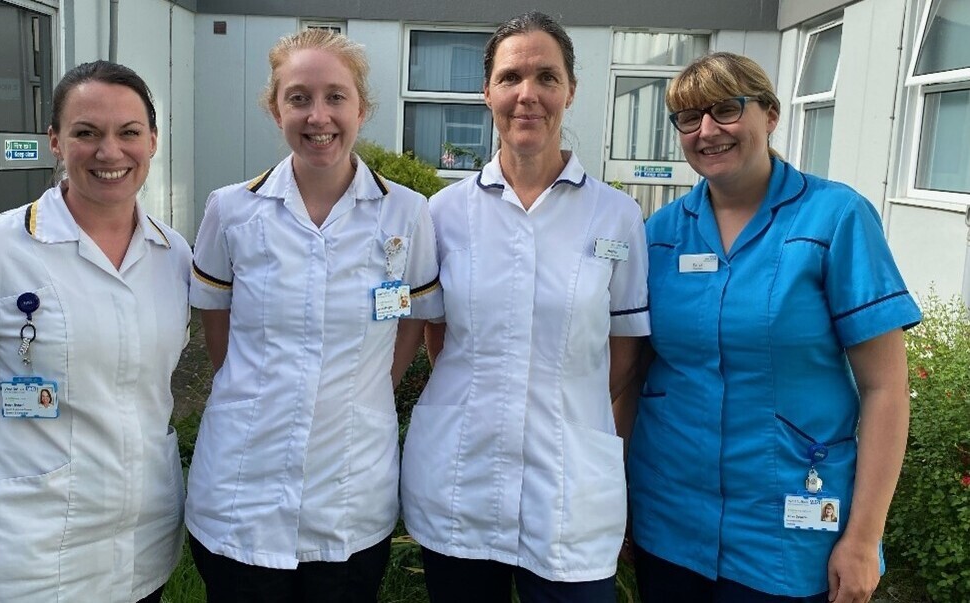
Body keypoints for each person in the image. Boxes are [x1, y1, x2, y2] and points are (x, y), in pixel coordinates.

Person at [625, 52, 921, 603]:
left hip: (787, 527)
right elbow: (636, 371)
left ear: (770, 115)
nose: (707, 131)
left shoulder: (836, 218)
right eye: (689, 119)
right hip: (669, 521)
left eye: (726, 110)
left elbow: (885, 389)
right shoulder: (661, 235)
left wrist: (863, 538)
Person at [0, 60, 191, 602]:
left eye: (129, 133)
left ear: (152, 141)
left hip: (137, 551)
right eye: (86, 133)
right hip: (16, 560)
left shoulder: (173, 255)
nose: (110, 152)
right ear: (56, 141)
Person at [400, 11, 650, 603]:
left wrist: (564, 396)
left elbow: (625, 353)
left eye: (546, 77)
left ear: (570, 90)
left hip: (570, 489)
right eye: (511, 77)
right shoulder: (443, 214)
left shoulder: (617, 216)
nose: (527, 95)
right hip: (462, 477)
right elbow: (440, 337)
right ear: (487, 91)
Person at [184, 29, 441, 603]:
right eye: (298, 97)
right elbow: (218, 332)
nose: (317, 115)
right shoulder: (232, 211)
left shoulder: (407, 213)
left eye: (335, 97)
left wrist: (364, 388)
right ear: (275, 108)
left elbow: (412, 321)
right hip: (238, 498)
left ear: (362, 108)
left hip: (350, 500)